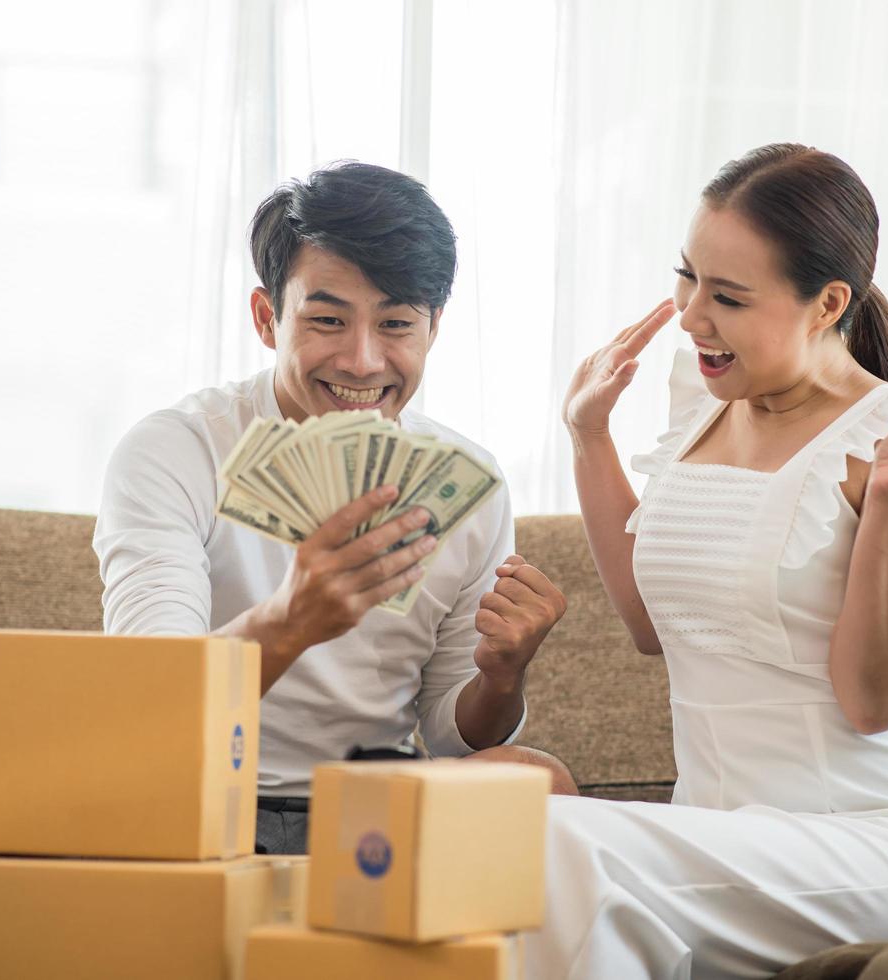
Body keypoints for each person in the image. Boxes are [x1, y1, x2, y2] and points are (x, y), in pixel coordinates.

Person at [533, 143, 888, 978]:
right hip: (724, 842)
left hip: (885, 843)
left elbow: (874, 703)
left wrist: (884, 507)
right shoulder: (702, 405)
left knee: (552, 842)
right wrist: (588, 436)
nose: (691, 318)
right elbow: (651, 626)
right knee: (512, 842)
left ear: (826, 302)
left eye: (727, 296)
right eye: (686, 278)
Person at [94, 161, 574, 855]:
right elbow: (151, 704)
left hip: (373, 807)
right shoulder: (176, 451)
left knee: (540, 780)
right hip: (197, 795)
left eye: (396, 324)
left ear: (433, 329)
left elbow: (449, 734)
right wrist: (293, 619)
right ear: (268, 318)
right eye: (327, 320)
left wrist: (502, 677)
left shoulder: (470, 486)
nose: (361, 360)